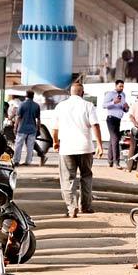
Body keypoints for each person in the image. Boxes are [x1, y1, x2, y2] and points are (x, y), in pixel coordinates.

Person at [51, 81, 103, 217]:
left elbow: (55, 129)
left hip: (67, 148)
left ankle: (71, 207)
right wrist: (99, 145)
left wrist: (55, 142)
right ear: (83, 93)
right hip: (85, 147)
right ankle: (85, 206)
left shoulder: (61, 106)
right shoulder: (88, 105)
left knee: (67, 178)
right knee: (86, 176)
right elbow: (95, 125)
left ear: (70, 93)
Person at [103, 79, 129, 169]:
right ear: (116, 86)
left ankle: (110, 161)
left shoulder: (123, 95)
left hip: (118, 119)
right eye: (120, 86)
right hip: (111, 119)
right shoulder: (110, 94)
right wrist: (114, 102)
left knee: (112, 140)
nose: (121, 88)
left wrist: (126, 108)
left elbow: (124, 109)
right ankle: (116, 162)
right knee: (116, 139)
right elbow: (103, 105)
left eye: (122, 86)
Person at [14, 91, 42, 165]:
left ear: (26, 95)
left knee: (18, 145)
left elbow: (18, 117)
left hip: (22, 128)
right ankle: (28, 161)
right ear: (33, 96)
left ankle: (16, 161)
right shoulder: (36, 106)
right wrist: (38, 128)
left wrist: (15, 127)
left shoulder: (22, 105)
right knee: (30, 146)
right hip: (32, 129)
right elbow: (38, 119)